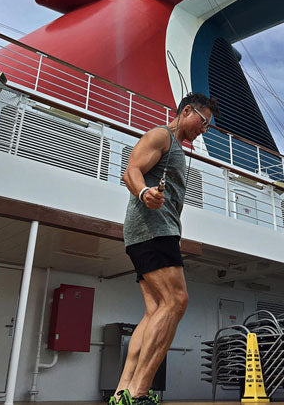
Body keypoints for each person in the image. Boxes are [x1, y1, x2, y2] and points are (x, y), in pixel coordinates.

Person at [113, 92, 219, 405]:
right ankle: (139, 392)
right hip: (154, 230)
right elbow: (131, 170)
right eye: (203, 122)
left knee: (155, 310)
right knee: (177, 300)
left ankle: (122, 392)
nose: (203, 130)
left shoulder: (175, 147)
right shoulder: (162, 135)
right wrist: (145, 191)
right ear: (188, 111)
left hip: (147, 233)